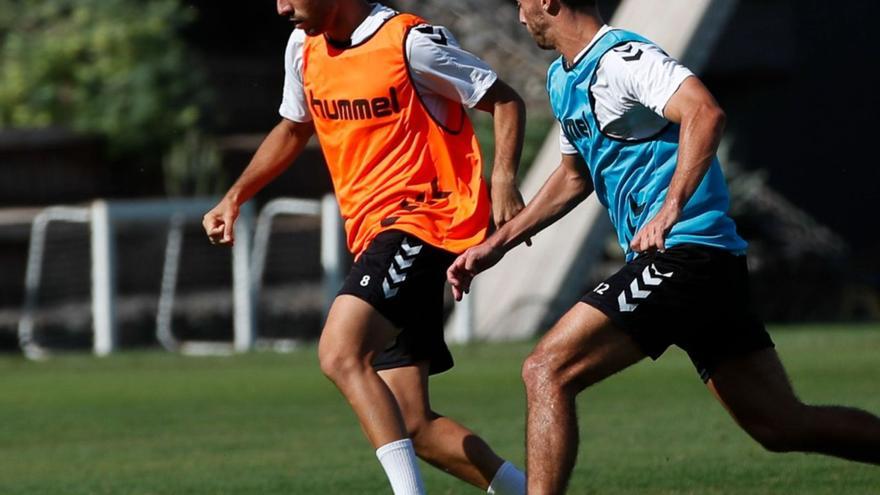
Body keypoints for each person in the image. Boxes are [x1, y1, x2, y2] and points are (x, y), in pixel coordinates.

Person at [447, 0, 880, 492]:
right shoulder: (562, 78)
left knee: (546, 369)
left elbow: (705, 111)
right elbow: (573, 177)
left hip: (686, 254)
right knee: (780, 426)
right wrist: (498, 243)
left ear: (549, 0)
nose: (520, 18)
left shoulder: (624, 58)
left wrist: (671, 206)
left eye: (523, 4)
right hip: (699, 265)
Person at [202, 1, 529, 494]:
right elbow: (294, 129)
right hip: (374, 236)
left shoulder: (410, 43)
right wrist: (235, 196)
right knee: (411, 423)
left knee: (339, 352)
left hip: (425, 222)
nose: (281, 7)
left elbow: (504, 100)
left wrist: (502, 177)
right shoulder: (303, 48)